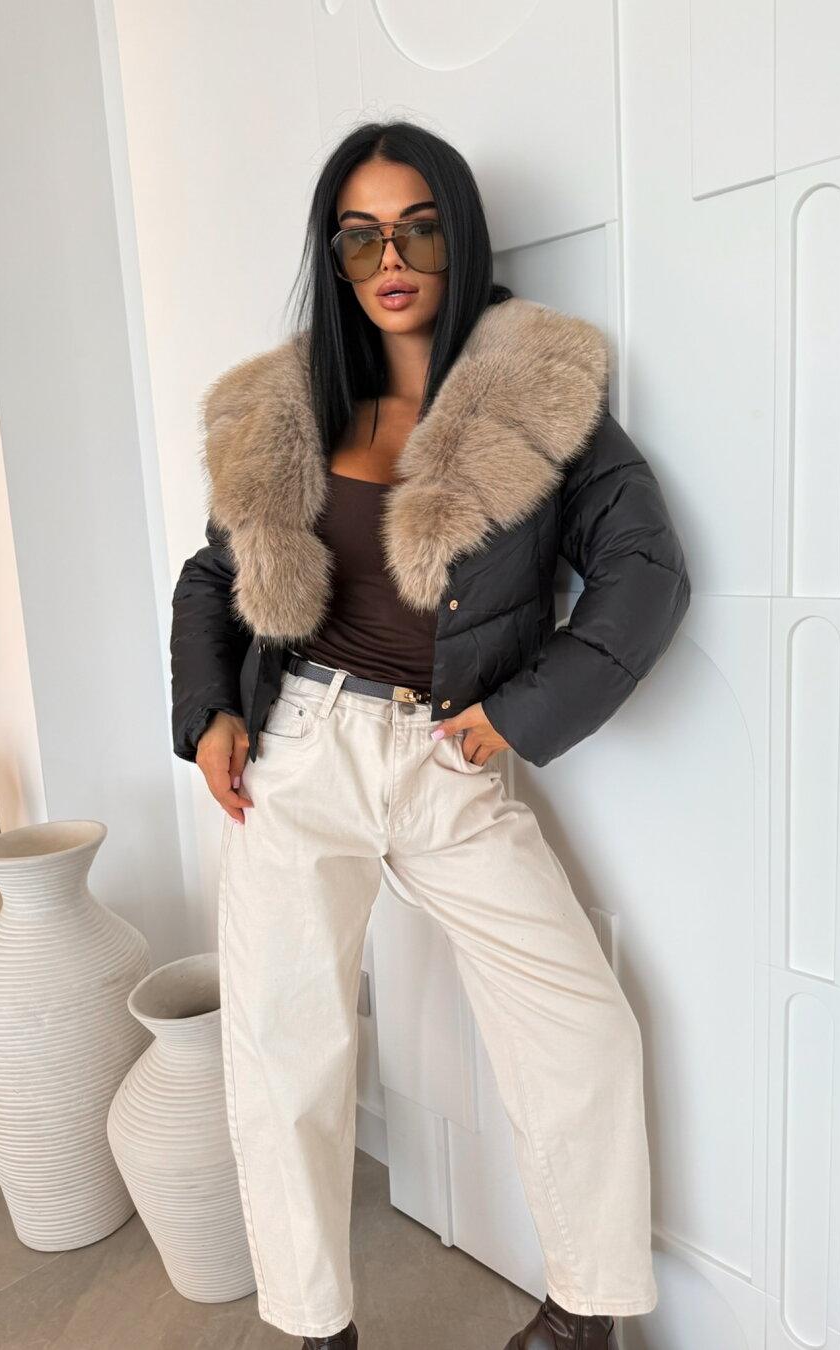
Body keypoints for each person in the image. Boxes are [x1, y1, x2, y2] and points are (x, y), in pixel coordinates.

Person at [170, 119, 690, 1350]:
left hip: (446, 757)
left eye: (416, 229)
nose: (390, 259)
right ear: (335, 255)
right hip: (301, 751)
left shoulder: (536, 392)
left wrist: (517, 714)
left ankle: (585, 1319)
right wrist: (209, 714)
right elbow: (213, 577)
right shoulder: (284, 407)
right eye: (360, 237)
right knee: (284, 1050)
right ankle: (317, 1327)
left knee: (580, 1026)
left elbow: (645, 570)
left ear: (458, 233)